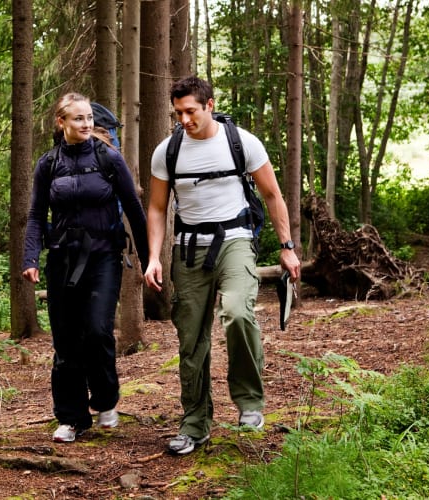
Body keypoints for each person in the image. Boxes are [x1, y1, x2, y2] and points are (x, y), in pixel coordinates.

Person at [143, 76, 301, 455]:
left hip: (235, 242)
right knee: (190, 336)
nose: (184, 119)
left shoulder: (242, 143)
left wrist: (287, 247)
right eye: (177, 112)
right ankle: (195, 423)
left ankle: (249, 403)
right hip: (189, 250)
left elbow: (272, 194)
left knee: (237, 313)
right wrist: (153, 257)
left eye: (191, 111)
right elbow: (158, 208)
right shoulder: (167, 152)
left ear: (209, 105)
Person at [22, 93, 148, 443]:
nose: (87, 124)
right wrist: (30, 258)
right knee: (65, 342)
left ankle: (106, 400)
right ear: (61, 122)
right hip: (62, 258)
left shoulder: (109, 158)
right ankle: (71, 417)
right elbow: (35, 216)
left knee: (96, 330)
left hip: (103, 257)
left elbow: (135, 212)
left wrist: (151, 259)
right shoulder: (48, 164)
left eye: (90, 117)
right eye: (78, 118)